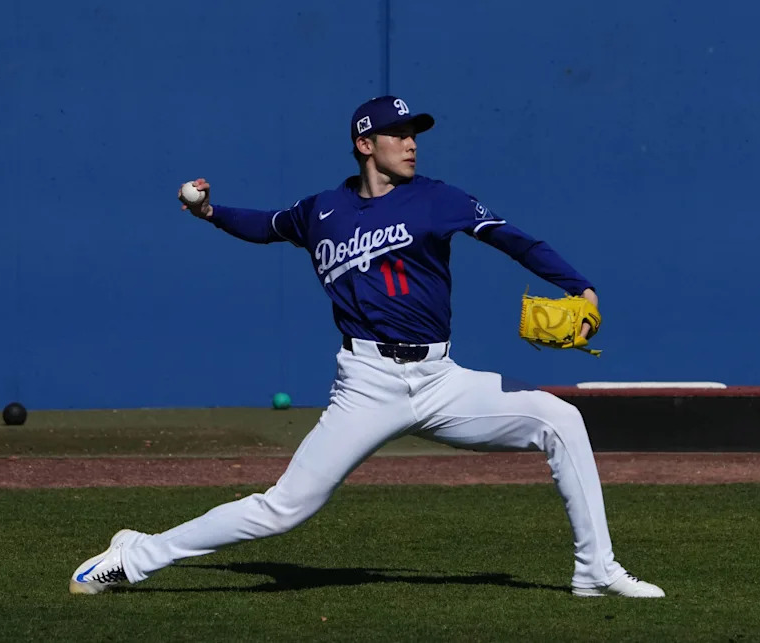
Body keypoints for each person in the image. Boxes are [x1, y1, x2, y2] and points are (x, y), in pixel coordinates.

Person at [69, 96, 665, 599]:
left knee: (561, 421)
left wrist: (579, 288)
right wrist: (209, 212)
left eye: (415, 134)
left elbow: (517, 242)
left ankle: (595, 571)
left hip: (440, 379)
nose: (411, 143)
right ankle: (138, 556)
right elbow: (265, 224)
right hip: (367, 384)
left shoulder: (439, 198)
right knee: (285, 508)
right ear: (365, 144)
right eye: (398, 133)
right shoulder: (320, 212)